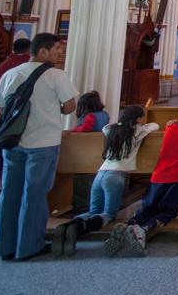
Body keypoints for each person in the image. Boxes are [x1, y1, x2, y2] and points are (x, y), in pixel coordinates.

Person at [0, 33, 77, 261]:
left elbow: (1, 109)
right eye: (57, 48)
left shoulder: (11, 74)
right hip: (43, 143)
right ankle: (29, 246)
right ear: (42, 52)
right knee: (35, 195)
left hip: (13, 143)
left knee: (9, 193)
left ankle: (5, 246)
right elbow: (69, 106)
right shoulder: (55, 75)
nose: (60, 52)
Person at [52, 105, 159, 256]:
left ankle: (67, 227)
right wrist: (140, 125)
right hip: (116, 176)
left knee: (93, 211)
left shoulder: (111, 130)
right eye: (142, 117)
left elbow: (104, 128)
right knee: (108, 214)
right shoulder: (138, 132)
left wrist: (122, 124)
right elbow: (155, 126)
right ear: (137, 119)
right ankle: (78, 228)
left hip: (100, 173)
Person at [105, 101, 178, 256]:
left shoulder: (170, 128)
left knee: (148, 207)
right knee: (168, 211)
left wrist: (174, 122)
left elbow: (167, 125)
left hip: (158, 176)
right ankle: (143, 231)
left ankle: (128, 224)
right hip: (177, 177)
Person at [0, 38, 33, 178]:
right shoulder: (28, 65)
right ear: (28, 49)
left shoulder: (4, 64)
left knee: (3, 134)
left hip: (7, 108)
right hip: (25, 109)